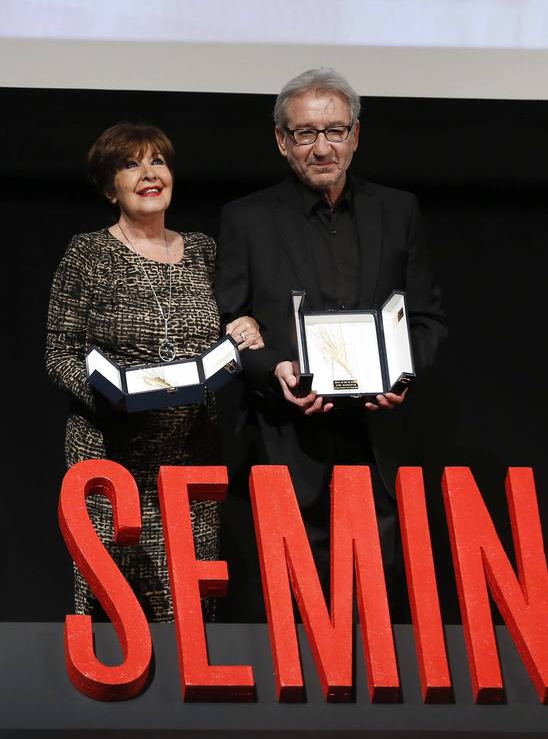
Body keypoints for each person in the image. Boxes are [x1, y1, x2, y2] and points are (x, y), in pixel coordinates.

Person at [215, 68, 447, 618]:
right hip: (286, 437)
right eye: (305, 134)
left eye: (335, 131)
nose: (323, 148)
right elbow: (228, 322)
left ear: (356, 135)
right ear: (282, 141)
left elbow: (427, 319)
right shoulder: (246, 219)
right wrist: (274, 370)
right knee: (295, 604)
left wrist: (400, 373)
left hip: (380, 436)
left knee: (384, 603)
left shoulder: (399, 210)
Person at [45, 121, 262, 622]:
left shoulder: (206, 252)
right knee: (112, 617)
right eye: (130, 164)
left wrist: (245, 327)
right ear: (109, 188)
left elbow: (229, 325)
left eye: (157, 161)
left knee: (190, 614)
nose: (148, 174)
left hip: (191, 463)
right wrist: (111, 395)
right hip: (111, 463)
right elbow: (59, 354)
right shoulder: (88, 254)